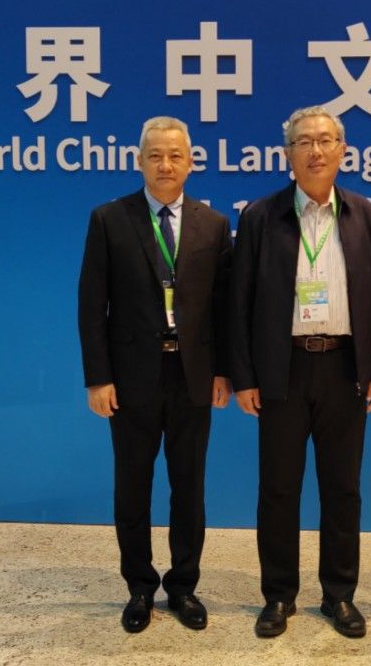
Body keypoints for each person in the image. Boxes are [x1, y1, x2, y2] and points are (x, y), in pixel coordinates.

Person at [229, 105, 371, 639]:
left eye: (326, 141)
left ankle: (339, 595)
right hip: (283, 369)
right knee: (278, 488)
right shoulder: (261, 216)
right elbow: (239, 302)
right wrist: (244, 375)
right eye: (304, 142)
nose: (316, 151)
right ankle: (279, 595)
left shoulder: (364, 214)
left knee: (343, 489)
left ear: (343, 150)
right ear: (288, 154)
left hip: (345, 367)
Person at [77, 116, 232, 634]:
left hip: (193, 376)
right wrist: (98, 378)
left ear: (190, 162)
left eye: (175, 155)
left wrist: (224, 371)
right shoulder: (109, 219)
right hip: (130, 379)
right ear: (139, 161)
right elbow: (91, 305)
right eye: (156, 155)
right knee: (132, 486)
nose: (166, 165)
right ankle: (140, 587)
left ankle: (183, 585)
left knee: (189, 487)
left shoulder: (214, 224)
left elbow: (224, 307)